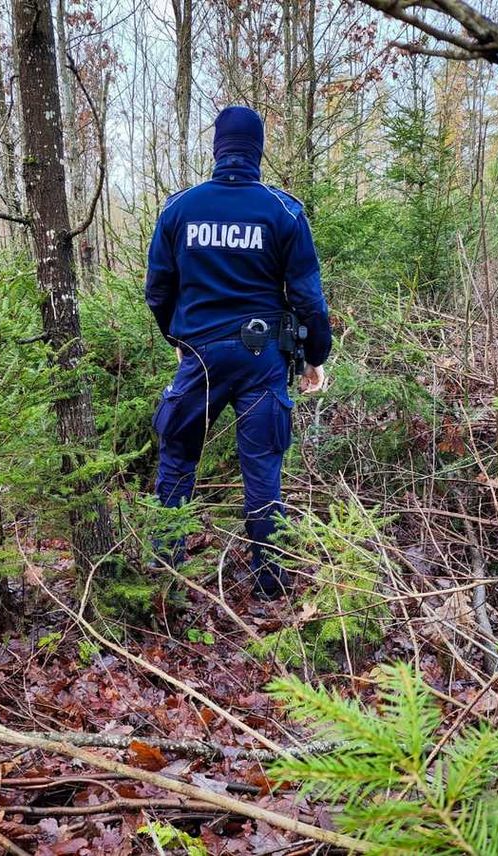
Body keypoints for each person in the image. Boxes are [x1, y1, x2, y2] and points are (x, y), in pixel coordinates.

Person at [145, 106, 331, 599]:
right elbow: (309, 297)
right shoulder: (283, 211)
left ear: (216, 147)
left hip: (200, 359)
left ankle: (166, 583)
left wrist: (183, 344)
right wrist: (317, 355)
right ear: (258, 149)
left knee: (177, 463)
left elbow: (158, 292)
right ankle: (270, 586)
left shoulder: (178, 209)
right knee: (263, 473)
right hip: (261, 362)